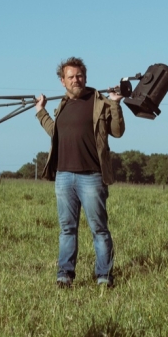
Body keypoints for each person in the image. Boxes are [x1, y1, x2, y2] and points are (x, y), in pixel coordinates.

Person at [35, 57, 125, 288]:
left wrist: (115, 103)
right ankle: (65, 275)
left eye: (79, 76)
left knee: (99, 229)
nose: (76, 80)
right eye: (71, 77)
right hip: (64, 176)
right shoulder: (62, 105)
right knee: (67, 229)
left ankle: (104, 276)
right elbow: (56, 133)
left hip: (92, 176)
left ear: (85, 77)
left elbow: (117, 131)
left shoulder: (99, 101)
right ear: (62, 81)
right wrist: (41, 112)